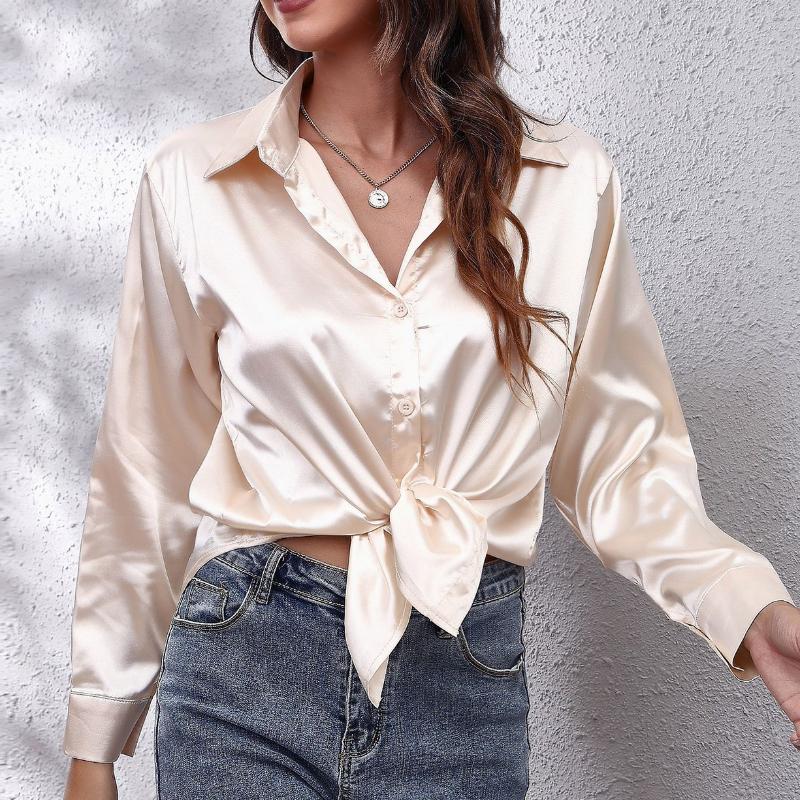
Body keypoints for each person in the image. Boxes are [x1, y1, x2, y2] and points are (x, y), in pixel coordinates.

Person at [62, 1, 800, 798]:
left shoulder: (561, 182)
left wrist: (747, 607)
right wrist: (93, 747)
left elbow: (619, 458)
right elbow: (146, 467)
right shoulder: (196, 179)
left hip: (463, 676)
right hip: (246, 665)